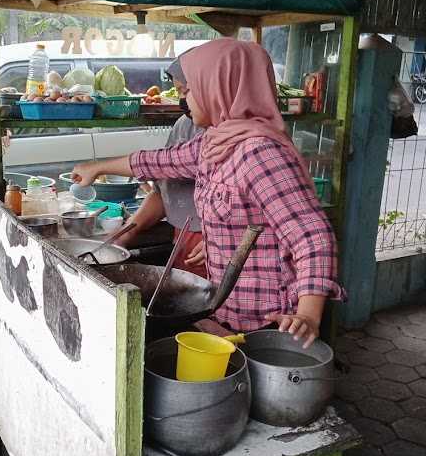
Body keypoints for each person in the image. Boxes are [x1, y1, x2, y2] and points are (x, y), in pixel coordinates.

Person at [72, 38, 344, 345]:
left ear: (219, 88)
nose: (185, 101)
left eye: (190, 91)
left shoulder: (259, 153)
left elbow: (312, 235)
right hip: (229, 310)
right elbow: (163, 161)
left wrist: (308, 315)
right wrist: (98, 167)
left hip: (267, 321)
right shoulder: (218, 141)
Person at [114, 63, 206, 277]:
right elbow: (163, 192)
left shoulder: (241, 138)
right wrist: (126, 233)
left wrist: (221, 242)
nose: (184, 100)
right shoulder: (184, 125)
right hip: (184, 239)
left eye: (188, 91)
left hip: (215, 246)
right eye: (180, 92)